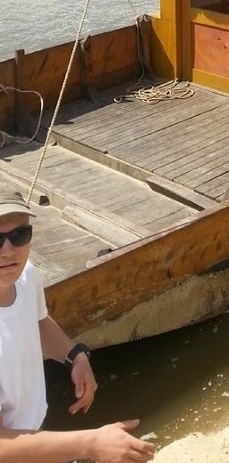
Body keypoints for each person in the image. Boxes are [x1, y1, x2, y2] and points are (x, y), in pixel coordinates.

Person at [0, 188, 155, 463]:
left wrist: (76, 356)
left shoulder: (26, 276)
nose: (9, 249)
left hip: (32, 434)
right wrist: (91, 443)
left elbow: (36, 321)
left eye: (19, 236)